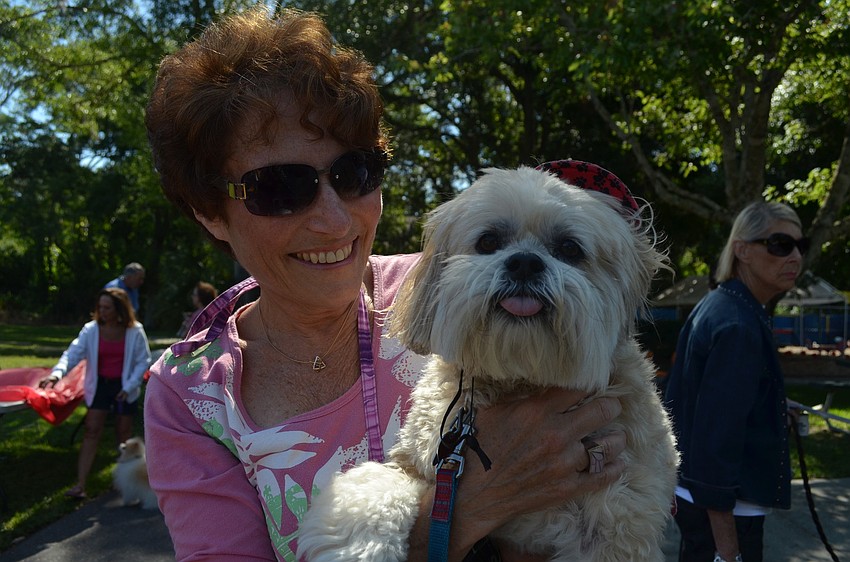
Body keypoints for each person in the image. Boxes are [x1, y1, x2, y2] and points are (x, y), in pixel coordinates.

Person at [143, 7, 627, 561]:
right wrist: (467, 508)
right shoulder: (190, 398)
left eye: (354, 174)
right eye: (279, 187)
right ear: (208, 211)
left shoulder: (460, 285)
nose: (335, 219)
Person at [664, 201, 808, 562]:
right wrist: (728, 551)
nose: (794, 257)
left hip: (694, 499)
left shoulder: (719, 303)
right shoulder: (739, 325)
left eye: (799, 246)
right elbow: (717, 444)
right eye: (780, 244)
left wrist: (772, 406)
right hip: (725, 514)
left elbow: (702, 401)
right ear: (742, 250)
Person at [41, 287, 151, 499]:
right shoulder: (91, 330)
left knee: (123, 434)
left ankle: (128, 482)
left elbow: (142, 361)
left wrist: (128, 387)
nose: (102, 311)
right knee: (92, 430)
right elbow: (72, 354)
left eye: (107, 307)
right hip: (100, 385)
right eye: (100, 307)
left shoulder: (135, 331)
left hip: (124, 387)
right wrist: (56, 375)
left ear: (120, 309)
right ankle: (80, 484)